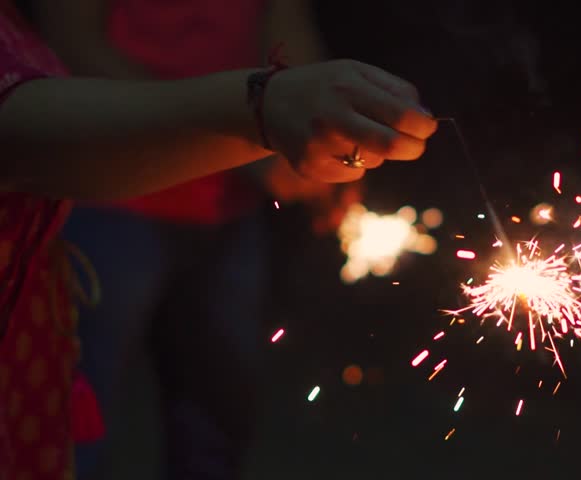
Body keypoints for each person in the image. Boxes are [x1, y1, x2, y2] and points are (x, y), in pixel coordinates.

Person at [0, 1, 438, 477]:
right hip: (112, 203)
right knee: (72, 412)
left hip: (229, 212)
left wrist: (326, 125)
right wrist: (252, 124)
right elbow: (71, 52)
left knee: (217, 421)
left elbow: (285, 22)